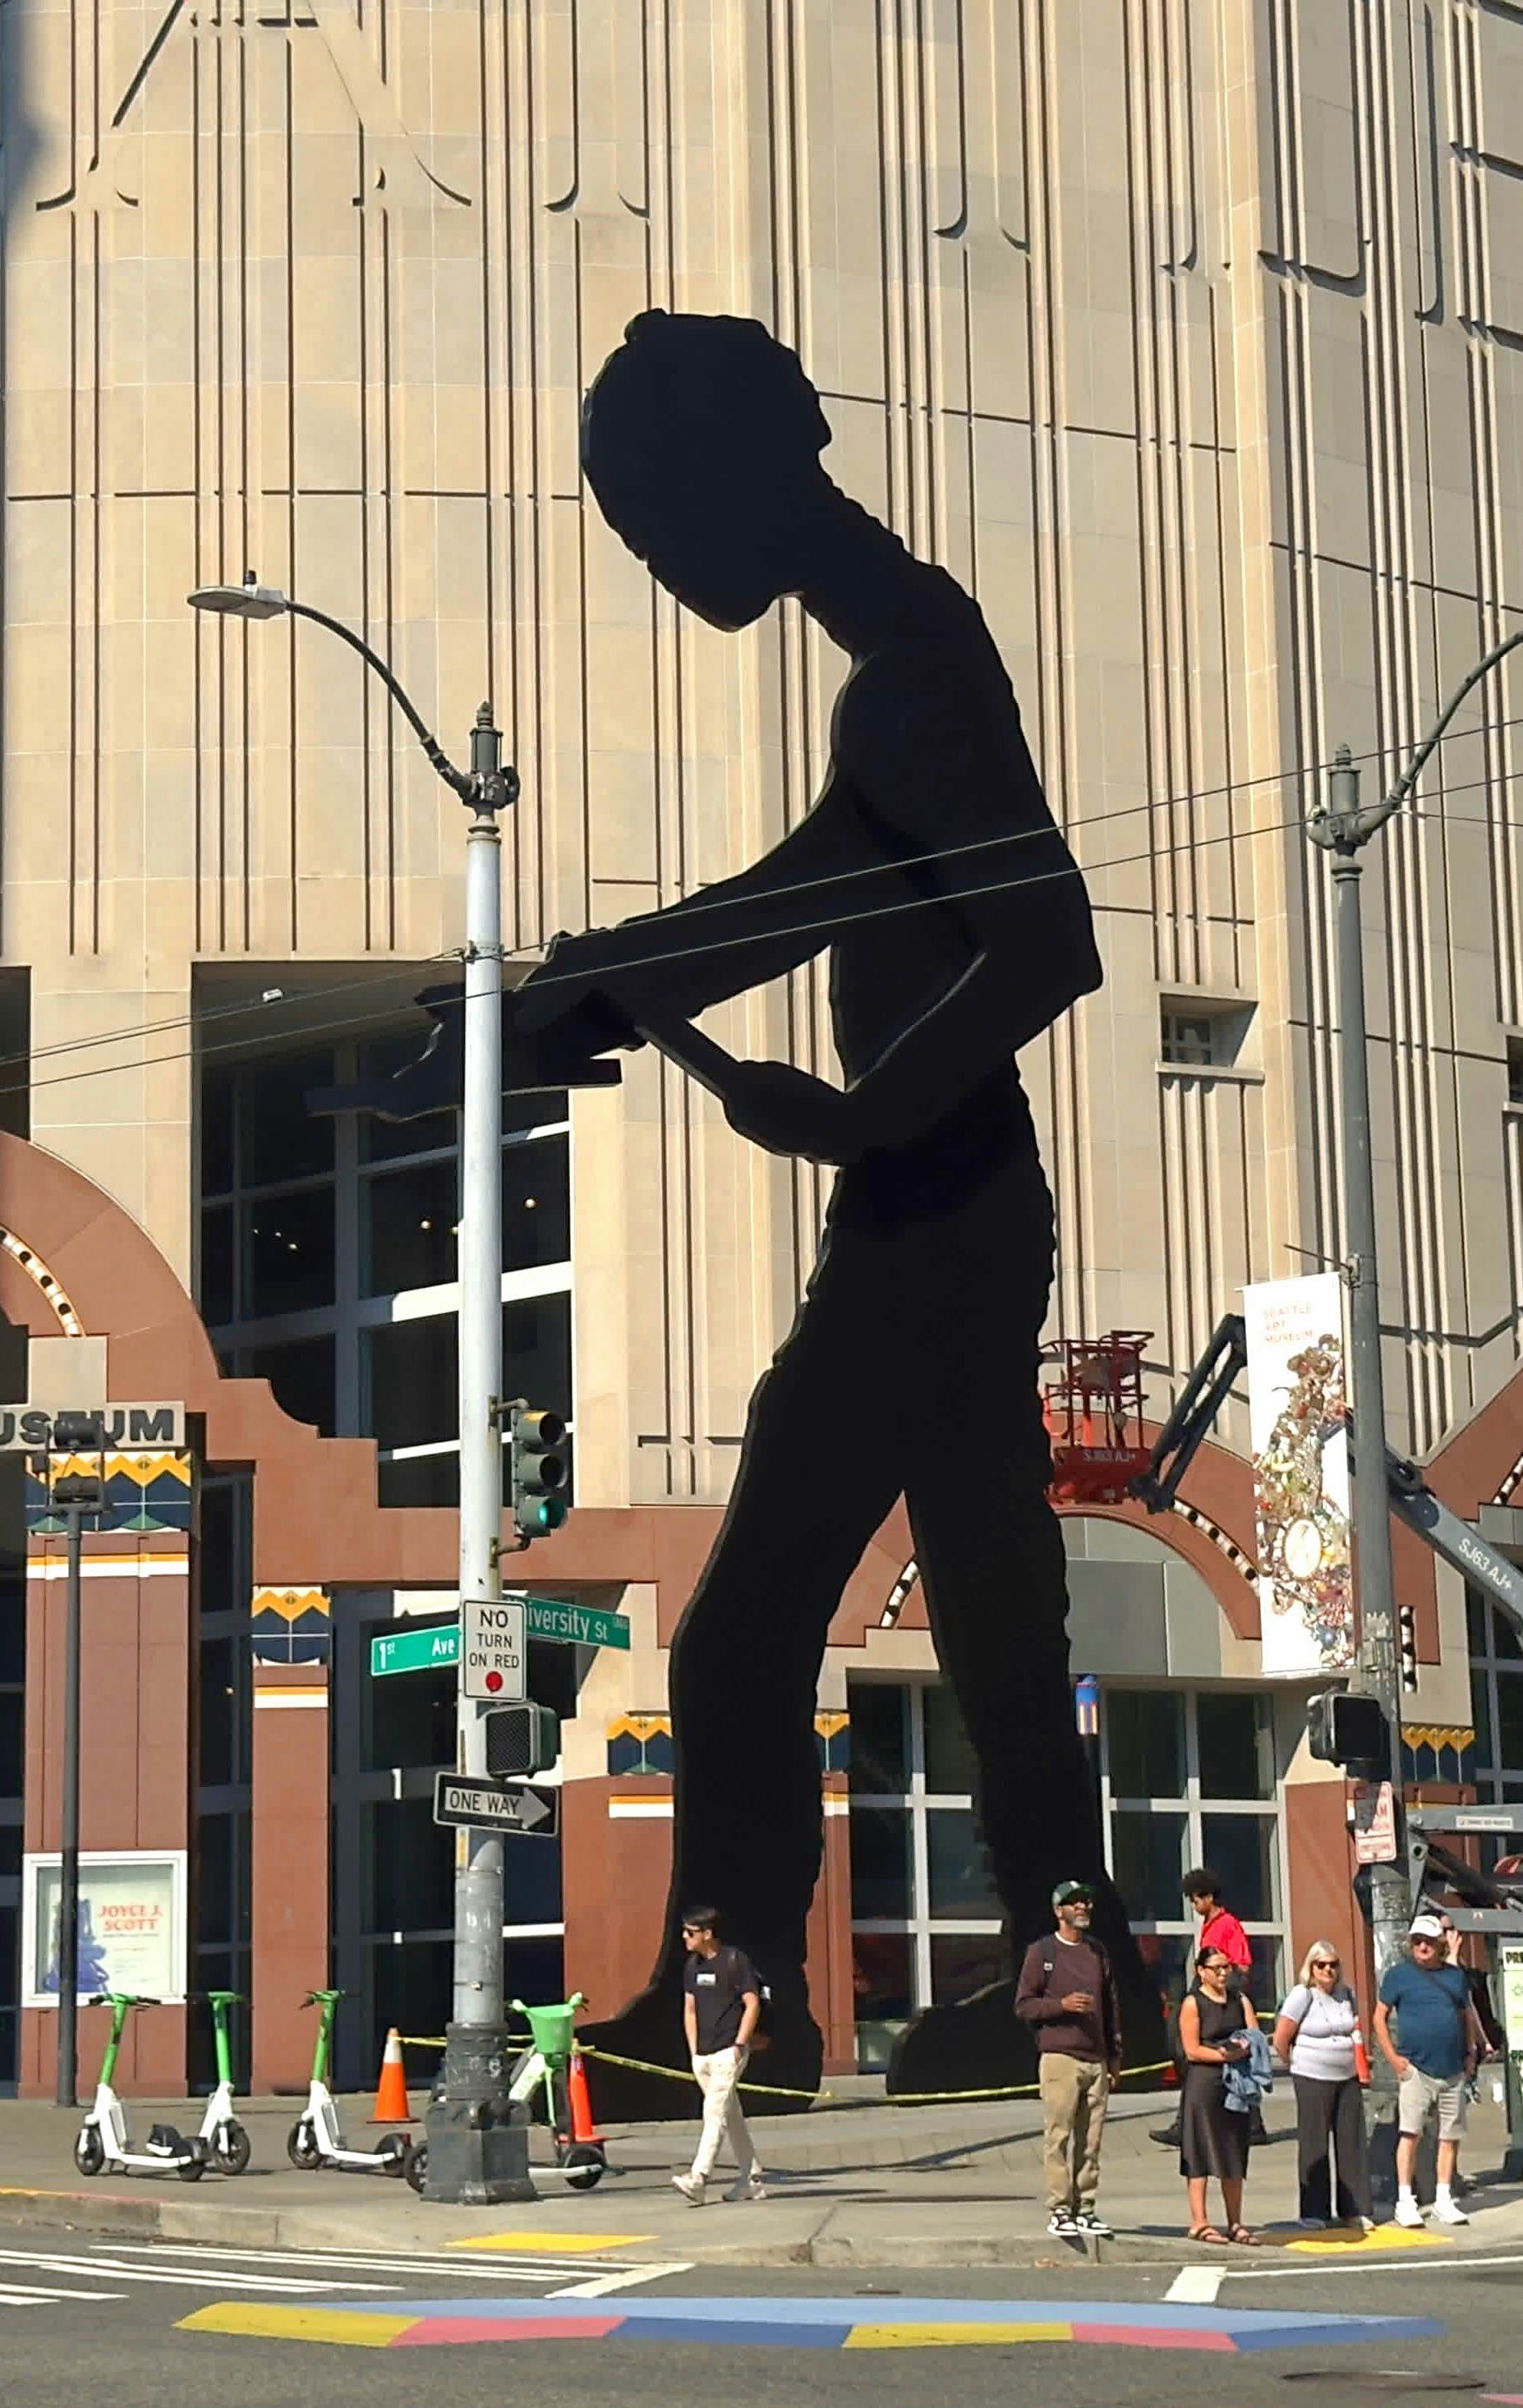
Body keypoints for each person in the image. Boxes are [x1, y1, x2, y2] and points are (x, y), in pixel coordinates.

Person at [467, 311, 1149, 2102]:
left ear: (739, 480)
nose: (651, 556)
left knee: (751, 1622)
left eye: (651, 518)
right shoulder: (907, 649)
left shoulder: (909, 664)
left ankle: (748, 2004)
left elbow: (1048, 938)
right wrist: (603, 982)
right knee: (990, 1611)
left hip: (936, 1206)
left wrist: (855, 1116)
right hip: (945, 1203)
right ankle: (1084, 1978)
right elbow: (806, 893)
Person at [1014, 1880, 1118, 2240]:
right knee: (1058, 2135)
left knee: (1091, 2140)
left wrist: (1114, 2056)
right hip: (1059, 2057)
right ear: (1058, 1911)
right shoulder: (1042, 1952)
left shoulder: (1097, 1952)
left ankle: (1085, 2207)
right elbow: (1024, 2005)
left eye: (1086, 1901)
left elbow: (1111, 2006)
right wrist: (1061, 2006)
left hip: (1095, 2059)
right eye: (1073, 1903)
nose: (1082, 1907)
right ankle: (1060, 2209)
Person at [1373, 1912, 1487, 2227]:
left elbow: (1465, 2015)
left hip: (1452, 2069)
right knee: (1410, 2133)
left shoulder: (1455, 1977)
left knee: (1450, 2136)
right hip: (1416, 2068)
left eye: (1428, 1941)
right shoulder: (1398, 1975)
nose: (1422, 1947)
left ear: (1440, 1944)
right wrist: (1394, 2059)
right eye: (1417, 1941)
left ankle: (1443, 2199)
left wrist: (1470, 2053)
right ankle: (1405, 2200)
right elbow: (1379, 2017)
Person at [1153, 1867, 1266, 2147]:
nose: (1194, 1905)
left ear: (1209, 1897)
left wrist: (1228, 1998)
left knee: (1206, 2057)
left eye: (1195, 1900)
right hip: (1209, 1992)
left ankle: (1188, 2125)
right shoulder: (1210, 1925)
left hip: (1221, 1997)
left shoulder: (1228, 1925)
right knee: (1211, 2059)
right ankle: (1252, 2126)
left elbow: (1242, 1965)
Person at [669, 1906, 768, 2205]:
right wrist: (693, 2051)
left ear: (708, 1934)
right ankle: (752, 2179)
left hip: (729, 2051)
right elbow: (689, 2009)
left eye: (691, 1932)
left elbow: (752, 2004)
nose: (684, 1937)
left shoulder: (735, 1961)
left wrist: (740, 2044)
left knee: (713, 2113)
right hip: (703, 2055)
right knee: (731, 2116)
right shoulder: (692, 1966)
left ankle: (698, 2178)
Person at [1273, 1939, 1368, 2231]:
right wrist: (1294, 2064)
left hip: (1347, 2077)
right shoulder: (1302, 1995)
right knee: (1314, 2143)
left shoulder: (1346, 1994)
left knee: (1351, 2143)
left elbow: (1354, 2031)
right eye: (1321, 1965)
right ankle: (1314, 2212)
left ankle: (1353, 2209)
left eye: (1333, 1965)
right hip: (1311, 2076)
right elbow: (1281, 2038)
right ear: (1311, 1968)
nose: (1328, 1970)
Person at [1176, 1944, 1258, 2244]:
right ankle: (1199, 2222)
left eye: (1227, 1967)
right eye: (1217, 1968)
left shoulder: (1240, 2000)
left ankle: (1235, 2222)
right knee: (1199, 2150)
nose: (1224, 1973)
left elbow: (1254, 2034)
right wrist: (1224, 2055)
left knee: (1233, 2150)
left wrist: (1245, 2047)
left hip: (1236, 2084)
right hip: (1204, 2083)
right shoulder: (1193, 2003)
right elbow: (1192, 2049)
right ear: (1201, 1971)